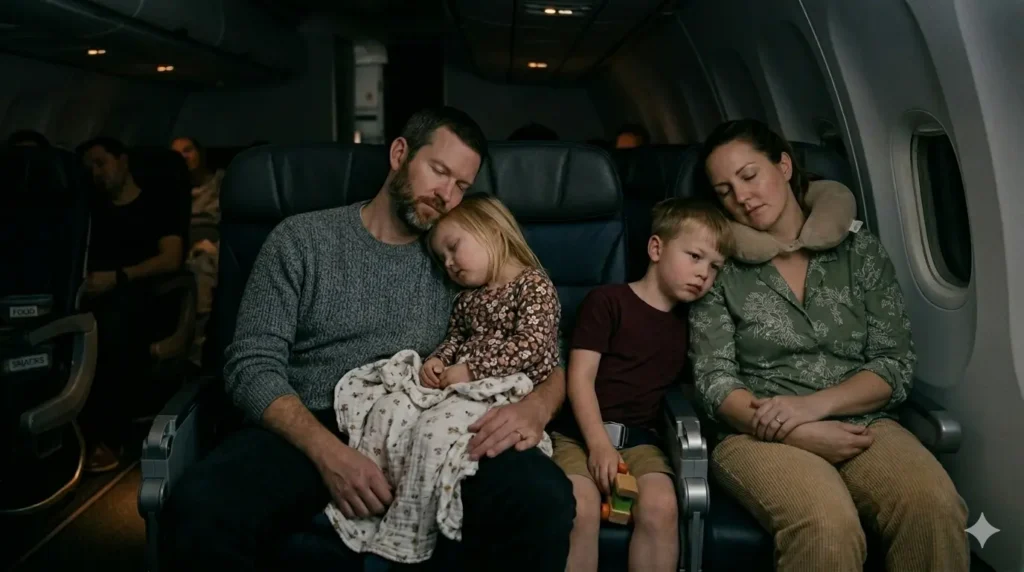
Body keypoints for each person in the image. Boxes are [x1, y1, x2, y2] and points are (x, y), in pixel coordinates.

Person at [162, 106, 575, 572]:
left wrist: (534, 410)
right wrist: (330, 453)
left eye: (461, 186)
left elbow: (545, 354)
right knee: (201, 509)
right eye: (438, 171)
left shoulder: (457, 259)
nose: (446, 196)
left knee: (543, 499)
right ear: (400, 154)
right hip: (310, 424)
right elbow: (251, 365)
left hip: (426, 426)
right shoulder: (302, 240)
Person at [690, 118, 969, 572]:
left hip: (863, 422)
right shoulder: (719, 264)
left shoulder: (860, 252)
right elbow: (714, 381)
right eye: (724, 191)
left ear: (783, 166)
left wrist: (813, 407)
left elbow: (894, 364)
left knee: (934, 506)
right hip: (756, 434)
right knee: (826, 524)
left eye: (749, 175)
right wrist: (795, 429)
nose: (741, 197)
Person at [325, 194, 562, 563]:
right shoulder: (469, 298)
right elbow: (455, 338)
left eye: (453, 248)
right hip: (461, 385)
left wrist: (470, 370)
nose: (449, 264)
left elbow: (530, 347)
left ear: (493, 231)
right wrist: (437, 362)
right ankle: (374, 500)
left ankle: (410, 529)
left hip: (505, 388)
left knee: (433, 429)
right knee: (391, 408)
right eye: (442, 259)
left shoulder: (533, 286)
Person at [553, 198, 731, 572]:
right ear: (656, 248)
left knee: (662, 508)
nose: (704, 274)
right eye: (695, 257)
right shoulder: (607, 302)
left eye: (714, 267)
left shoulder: (692, 325)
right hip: (579, 436)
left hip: (642, 442)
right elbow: (580, 379)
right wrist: (599, 445)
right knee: (579, 506)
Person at [77, 137, 186, 472]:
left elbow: (171, 259)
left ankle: (109, 437)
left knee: (110, 329)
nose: (96, 174)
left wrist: (118, 277)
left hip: (148, 295)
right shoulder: (91, 211)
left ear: (123, 161)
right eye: (89, 168)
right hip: (100, 295)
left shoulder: (156, 203)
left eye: (101, 163)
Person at [170, 136, 223, 366]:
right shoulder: (171, 190)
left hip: (216, 246)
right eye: (177, 153)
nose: (183, 157)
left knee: (201, 268)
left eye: (188, 150)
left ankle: (197, 353)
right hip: (182, 247)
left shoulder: (221, 181)